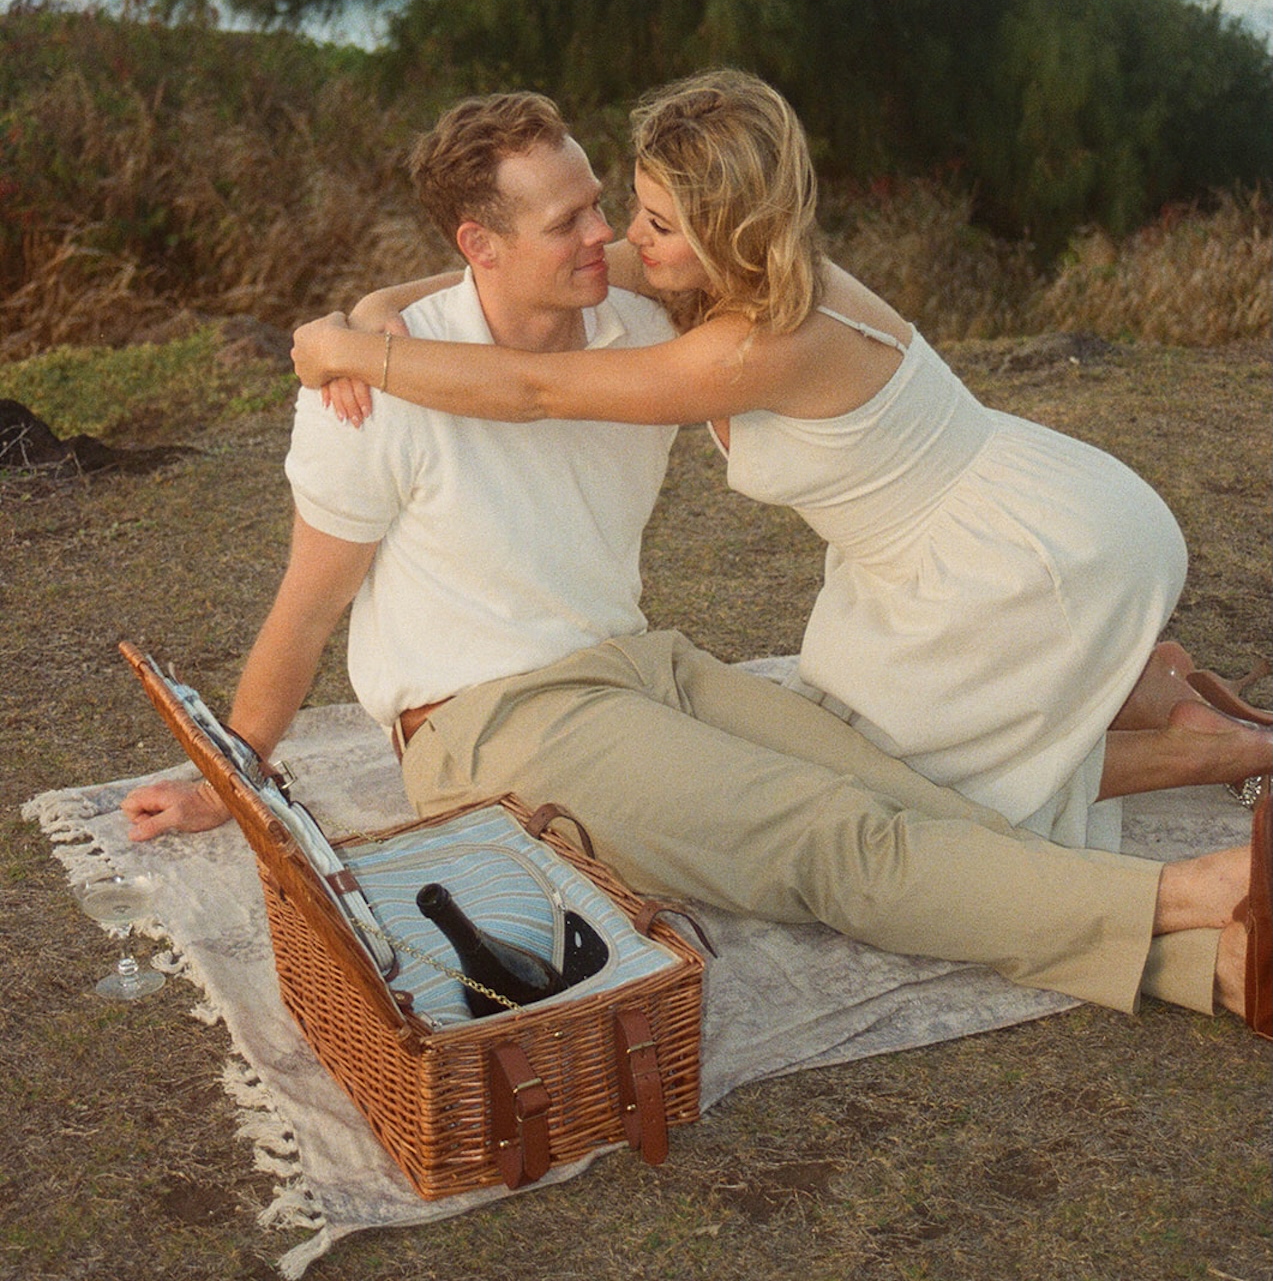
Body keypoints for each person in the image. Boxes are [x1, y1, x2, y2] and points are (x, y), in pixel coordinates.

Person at [125, 89, 1267, 1038]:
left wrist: (357, 314)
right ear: (478, 245)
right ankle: (1195, 919)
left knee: (903, 792)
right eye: (572, 220)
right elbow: (306, 605)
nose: (606, 239)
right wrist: (233, 774)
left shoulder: (642, 322)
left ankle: (1195, 946)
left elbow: (529, 384)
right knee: (825, 839)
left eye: (608, 211)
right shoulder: (369, 403)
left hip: (641, 661)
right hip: (487, 717)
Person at [293, 70, 1272, 857]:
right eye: (633, 209)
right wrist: (379, 303)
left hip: (1020, 558)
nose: (626, 240)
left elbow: (536, 391)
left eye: (655, 224)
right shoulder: (739, 263)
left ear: (724, 228)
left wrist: (357, 356)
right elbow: (504, 266)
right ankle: (1146, 687)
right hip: (975, 528)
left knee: (937, 795)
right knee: (860, 751)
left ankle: (1212, 748)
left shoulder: (759, 339)